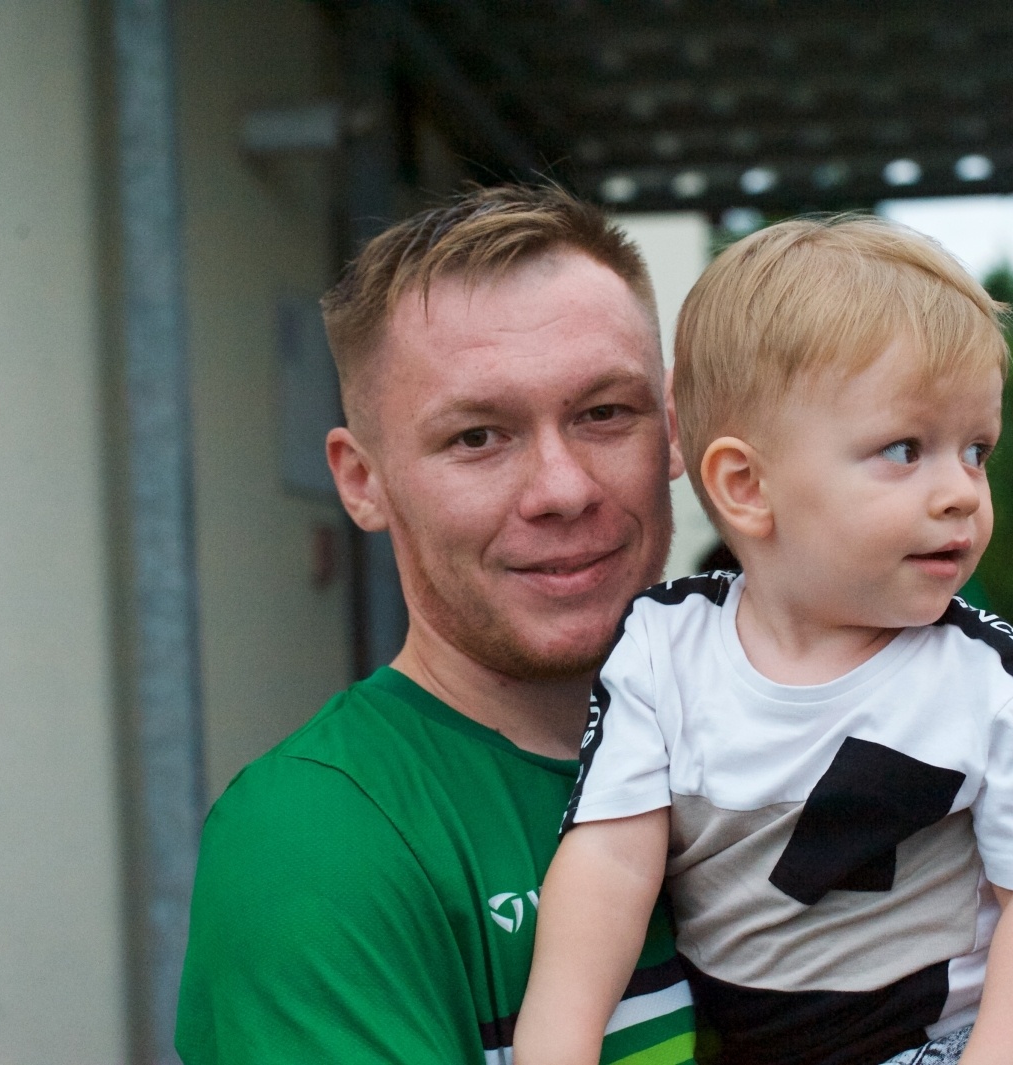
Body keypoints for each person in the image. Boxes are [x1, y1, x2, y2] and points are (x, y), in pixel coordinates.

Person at [513, 216, 1013, 1065]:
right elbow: (608, 866)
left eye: (976, 451)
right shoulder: (663, 646)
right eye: (906, 449)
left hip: (946, 1044)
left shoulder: (993, 681)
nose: (961, 493)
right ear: (747, 486)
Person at [174, 185, 697, 1065]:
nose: (562, 488)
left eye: (604, 413)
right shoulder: (315, 840)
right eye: (478, 437)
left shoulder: (798, 735)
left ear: (675, 427)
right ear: (361, 480)